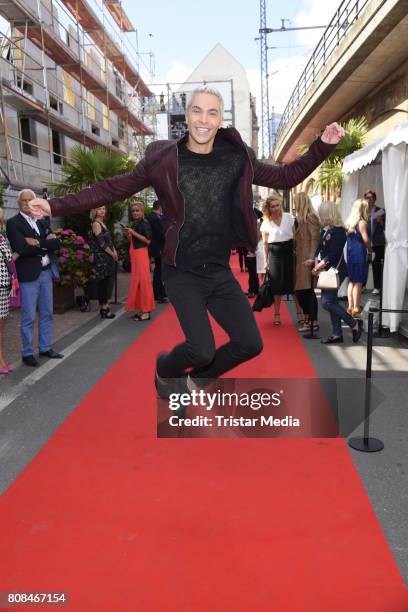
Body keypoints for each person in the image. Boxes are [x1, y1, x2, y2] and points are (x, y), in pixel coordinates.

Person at [27, 87, 344, 394]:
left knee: (251, 343)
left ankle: (201, 379)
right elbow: (112, 189)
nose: (204, 119)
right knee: (201, 349)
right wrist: (55, 205)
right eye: (197, 111)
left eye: (212, 113)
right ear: (187, 119)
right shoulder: (164, 160)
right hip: (181, 270)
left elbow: (285, 177)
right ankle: (165, 369)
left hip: (218, 270)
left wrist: (322, 146)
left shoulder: (236, 158)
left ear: (220, 120)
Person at [6, 189, 63, 366]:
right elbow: (21, 248)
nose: (28, 203)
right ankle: (27, 352)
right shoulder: (13, 223)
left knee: (47, 313)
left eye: (31, 200)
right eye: (24, 201)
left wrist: (37, 242)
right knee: (29, 316)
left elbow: (56, 244)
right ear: (18, 203)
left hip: (46, 273)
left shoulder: (42, 220)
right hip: (28, 276)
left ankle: (45, 347)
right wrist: (45, 244)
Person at [306, 201, 362, 344]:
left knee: (327, 302)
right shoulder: (326, 229)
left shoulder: (338, 231)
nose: (319, 215)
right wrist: (314, 261)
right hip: (327, 270)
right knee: (332, 302)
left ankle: (353, 324)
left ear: (327, 213)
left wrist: (317, 267)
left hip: (335, 270)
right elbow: (320, 248)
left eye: (321, 212)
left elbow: (333, 255)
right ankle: (337, 333)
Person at [261, 193, 295, 326]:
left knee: (292, 284)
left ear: (280, 205)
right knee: (276, 286)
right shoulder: (265, 222)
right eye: (272, 206)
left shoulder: (289, 218)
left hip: (288, 253)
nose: (275, 208)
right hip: (274, 255)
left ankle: (300, 313)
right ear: (269, 208)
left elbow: (294, 237)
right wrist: (265, 261)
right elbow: (265, 244)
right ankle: (277, 314)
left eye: (277, 205)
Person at [293, 192, 321, 332]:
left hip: (307, 260)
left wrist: (311, 259)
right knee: (301, 290)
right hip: (300, 259)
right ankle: (309, 319)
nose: (294, 204)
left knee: (307, 291)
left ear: (301, 202)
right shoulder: (300, 218)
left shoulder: (311, 217)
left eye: (296, 201)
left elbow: (315, 239)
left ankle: (312, 321)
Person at [124, 201, 155, 321]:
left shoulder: (145, 223)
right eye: (133, 211)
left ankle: (146, 311)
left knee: (144, 283)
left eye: (138, 210)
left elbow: (148, 241)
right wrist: (129, 234)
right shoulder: (136, 223)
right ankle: (142, 308)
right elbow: (136, 239)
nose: (135, 213)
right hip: (136, 255)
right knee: (138, 283)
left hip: (141, 255)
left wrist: (133, 233)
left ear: (142, 211)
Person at [89, 206, 117, 319]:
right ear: (95, 211)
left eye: (104, 209)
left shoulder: (102, 223)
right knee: (102, 283)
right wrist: (112, 253)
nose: (102, 211)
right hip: (101, 258)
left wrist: (114, 251)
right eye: (99, 209)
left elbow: (109, 241)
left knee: (105, 282)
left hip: (107, 256)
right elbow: (101, 243)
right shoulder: (96, 224)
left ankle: (105, 305)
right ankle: (103, 308)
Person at [345, 198, 371, 316]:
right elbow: (366, 240)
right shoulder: (362, 223)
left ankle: (350, 306)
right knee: (358, 282)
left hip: (350, 254)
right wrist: (370, 250)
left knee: (352, 281)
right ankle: (356, 307)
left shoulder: (349, 222)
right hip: (359, 254)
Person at [364, 189, 386, 295]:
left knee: (377, 265)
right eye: (367, 197)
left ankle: (377, 287)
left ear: (375, 198)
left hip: (378, 243)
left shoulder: (381, 211)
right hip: (365, 242)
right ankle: (362, 285)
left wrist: (381, 221)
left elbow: (387, 227)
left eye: (371, 197)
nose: (369, 199)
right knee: (363, 264)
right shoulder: (363, 211)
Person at [146, 200, 167, 303]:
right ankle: (158, 293)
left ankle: (160, 292)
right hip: (157, 247)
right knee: (158, 271)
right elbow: (161, 234)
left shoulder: (149, 216)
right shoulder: (155, 218)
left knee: (157, 271)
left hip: (153, 247)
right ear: (160, 207)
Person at [0, 225, 13, 373]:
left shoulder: (2, 238)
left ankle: (1, 358)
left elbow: (9, 258)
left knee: (1, 326)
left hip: (3, 286)